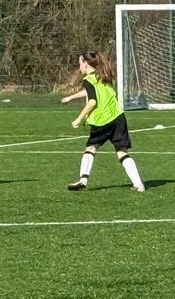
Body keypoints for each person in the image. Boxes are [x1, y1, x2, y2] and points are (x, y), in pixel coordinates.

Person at [62, 50, 145, 193]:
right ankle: (139, 184)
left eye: (80, 63)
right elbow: (92, 92)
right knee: (121, 151)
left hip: (103, 120)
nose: (79, 66)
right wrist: (71, 98)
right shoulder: (102, 76)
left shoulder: (88, 80)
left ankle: (83, 180)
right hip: (118, 118)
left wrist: (78, 119)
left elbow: (92, 101)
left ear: (86, 64)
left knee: (91, 148)